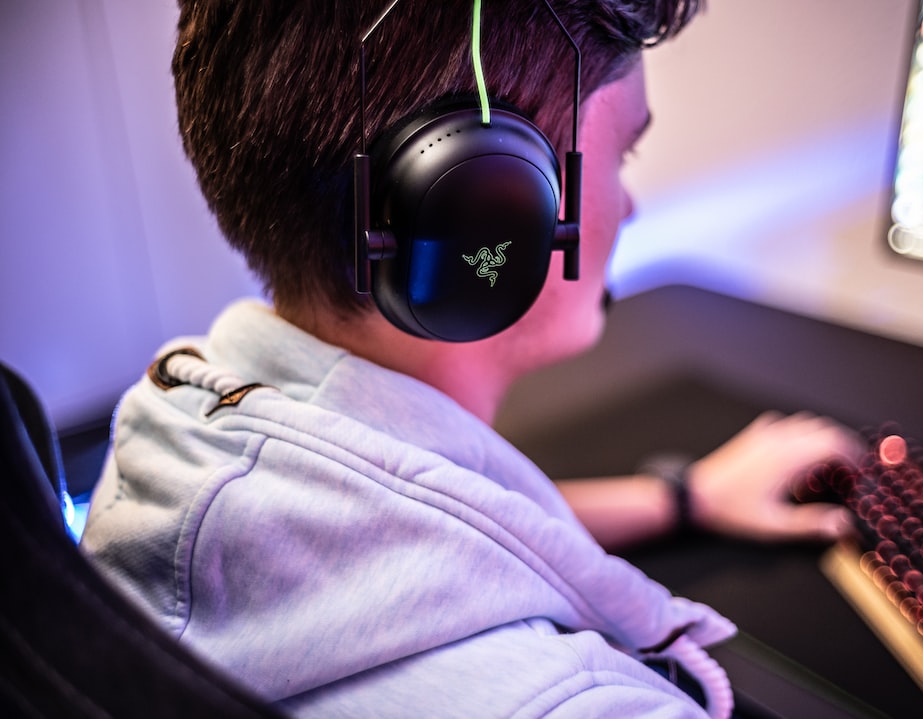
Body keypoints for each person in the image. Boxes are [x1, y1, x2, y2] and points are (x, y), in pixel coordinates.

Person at [81, 1, 862, 717]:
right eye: (622, 155)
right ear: (488, 213)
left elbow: (384, 539)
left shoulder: (178, 426)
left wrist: (679, 498)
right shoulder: (580, 705)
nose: (627, 205)